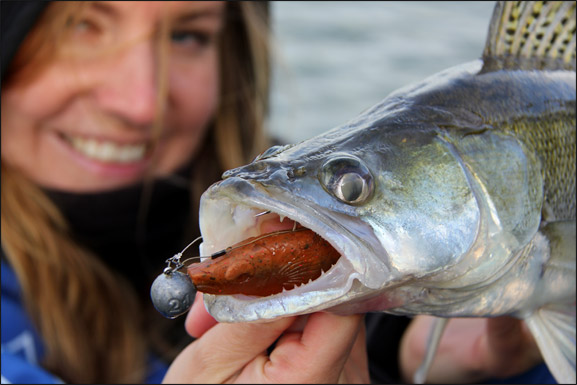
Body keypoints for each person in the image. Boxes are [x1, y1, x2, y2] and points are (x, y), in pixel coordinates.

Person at [1, 1, 552, 384]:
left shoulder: (282, 192)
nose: (140, 103)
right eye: (79, 25)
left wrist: (405, 355)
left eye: (188, 34)